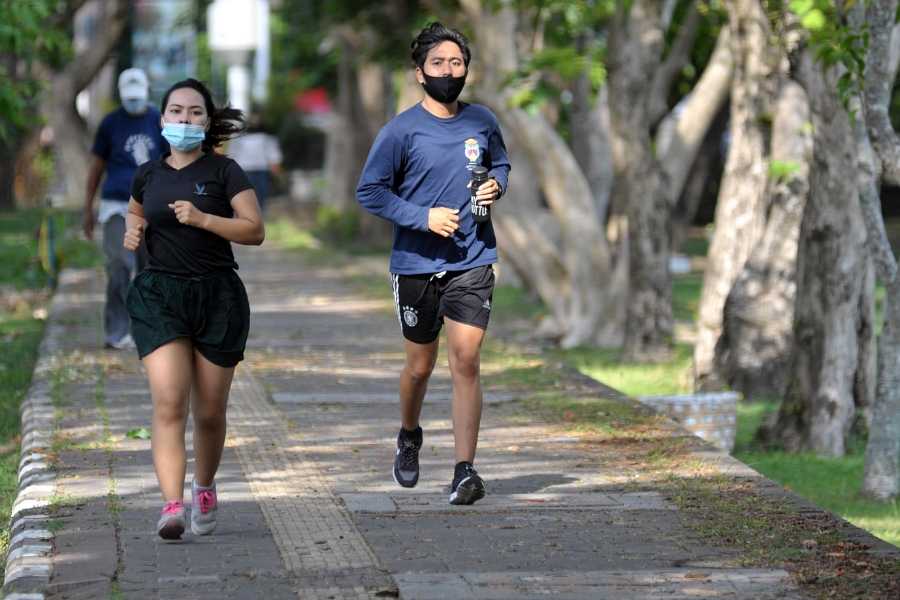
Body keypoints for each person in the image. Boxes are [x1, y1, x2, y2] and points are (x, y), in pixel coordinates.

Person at [356, 23, 510, 505]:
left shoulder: (482, 120)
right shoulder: (400, 130)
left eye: (457, 63)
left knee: (465, 361)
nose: (449, 71)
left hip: (473, 258)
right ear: (420, 73)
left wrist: (497, 186)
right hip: (416, 265)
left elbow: (500, 163)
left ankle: (465, 471)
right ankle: (408, 434)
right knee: (420, 368)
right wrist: (422, 217)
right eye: (439, 64)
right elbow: (370, 191)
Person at [122, 78, 264, 540]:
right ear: (163, 119)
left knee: (208, 411)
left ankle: (204, 486)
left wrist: (204, 219)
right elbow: (136, 209)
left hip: (217, 297)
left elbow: (254, 230)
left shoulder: (226, 172)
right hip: (160, 296)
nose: (185, 120)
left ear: (207, 121)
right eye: (177, 112)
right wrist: (132, 230)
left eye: (195, 113)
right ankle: (170, 505)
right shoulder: (148, 173)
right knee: (169, 403)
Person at [83, 67, 167, 349]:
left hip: (152, 206)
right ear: (121, 95)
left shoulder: (158, 120)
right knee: (119, 265)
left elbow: (174, 161)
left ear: (146, 93)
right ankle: (116, 332)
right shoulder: (110, 124)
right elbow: (96, 167)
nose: (134, 101)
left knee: (149, 270)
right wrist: (88, 207)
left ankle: (147, 330)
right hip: (116, 206)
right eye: (129, 97)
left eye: (138, 96)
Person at [226, 113, 283, 211]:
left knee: (247, 197)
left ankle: (249, 218)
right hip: (250, 171)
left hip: (253, 171)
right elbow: (274, 158)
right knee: (256, 198)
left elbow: (231, 155)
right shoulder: (267, 138)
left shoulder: (266, 139)